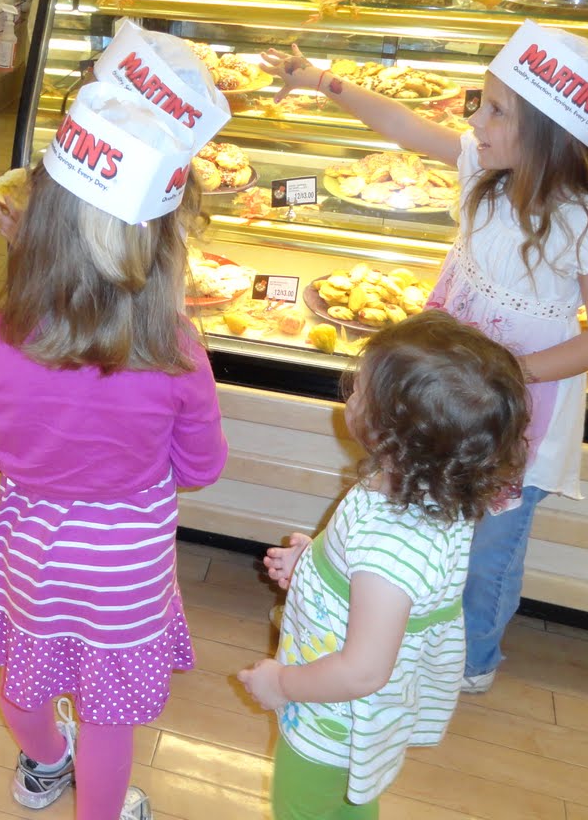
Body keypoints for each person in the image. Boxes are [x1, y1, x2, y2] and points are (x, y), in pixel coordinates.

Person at [262, 21, 588, 691]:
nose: (475, 121)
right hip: (441, 387)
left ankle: (472, 661)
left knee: (489, 547)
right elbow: (405, 127)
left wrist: (504, 376)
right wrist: (321, 80)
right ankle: (388, 634)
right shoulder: (485, 175)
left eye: (495, 110)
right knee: (416, 506)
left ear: (549, 134)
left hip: (516, 405)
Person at [0, 84, 230, 820]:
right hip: (126, 571)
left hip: (31, 555)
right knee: (109, 716)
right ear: (164, 249)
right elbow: (202, 467)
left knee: (24, 682)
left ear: (36, 228)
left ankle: (45, 765)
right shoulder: (178, 352)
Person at [238, 310, 531, 820]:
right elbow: (387, 583)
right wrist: (316, 563)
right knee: (351, 803)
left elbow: (362, 670)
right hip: (360, 718)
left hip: (332, 722)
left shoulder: (387, 546)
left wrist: (280, 684)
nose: (349, 397)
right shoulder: (433, 492)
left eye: (360, 390)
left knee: (303, 809)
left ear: (392, 432)